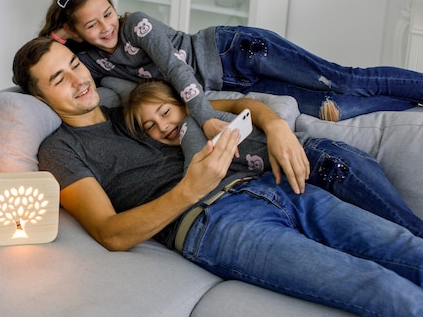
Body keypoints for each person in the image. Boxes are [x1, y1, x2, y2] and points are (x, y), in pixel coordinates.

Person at [12, 36, 423, 317]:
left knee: (406, 249)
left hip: (270, 186)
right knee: (376, 285)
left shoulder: (135, 110)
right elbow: (110, 233)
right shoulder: (60, 151)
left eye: (74, 66)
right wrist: (191, 187)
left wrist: (277, 126)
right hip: (214, 224)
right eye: (58, 80)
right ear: (40, 98)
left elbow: (237, 106)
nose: (79, 81)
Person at [38, 0, 423, 139]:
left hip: (236, 52)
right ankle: (412, 103)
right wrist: (57, 37)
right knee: (328, 107)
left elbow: (175, 68)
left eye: (107, 14)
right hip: (233, 83)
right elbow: (104, 92)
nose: (105, 27)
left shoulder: (136, 24)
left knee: (342, 79)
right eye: (91, 26)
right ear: (74, 32)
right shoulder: (91, 63)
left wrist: (203, 118)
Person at [123, 78, 423, 237]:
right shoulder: (188, 145)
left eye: (164, 113)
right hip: (298, 185)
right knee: (389, 235)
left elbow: (243, 104)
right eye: (150, 126)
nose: (163, 126)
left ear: (182, 102)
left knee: (406, 229)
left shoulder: (195, 116)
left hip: (320, 159)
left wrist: (277, 127)